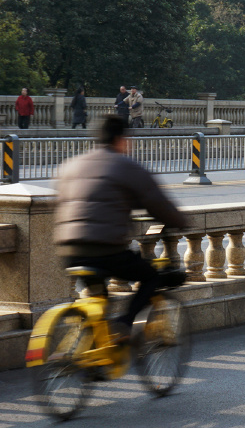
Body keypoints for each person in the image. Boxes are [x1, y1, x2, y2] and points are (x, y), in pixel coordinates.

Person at [54, 116, 189, 339]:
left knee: (99, 299)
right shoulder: (126, 166)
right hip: (106, 251)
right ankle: (125, 324)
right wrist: (180, 221)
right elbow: (159, 204)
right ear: (121, 139)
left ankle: (93, 353)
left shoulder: (72, 165)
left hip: (69, 251)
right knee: (151, 277)